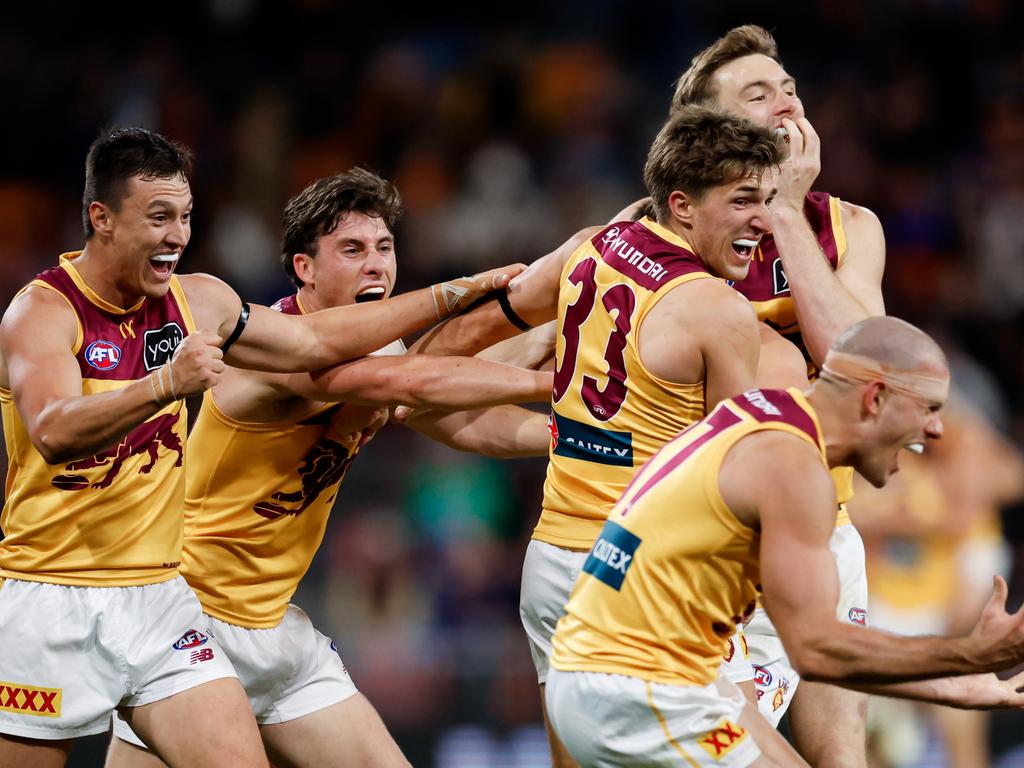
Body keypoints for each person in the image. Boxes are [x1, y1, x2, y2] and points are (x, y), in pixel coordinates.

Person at [0, 128, 523, 768]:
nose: (177, 236)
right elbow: (53, 430)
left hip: (160, 598)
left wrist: (455, 292)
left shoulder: (200, 301)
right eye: (158, 218)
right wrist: (164, 383)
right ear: (100, 219)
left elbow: (315, 345)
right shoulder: (41, 312)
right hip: (50, 593)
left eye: (186, 217)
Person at [408, 104, 790, 766]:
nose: (764, 219)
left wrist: (419, 374)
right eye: (743, 199)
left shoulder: (589, 247)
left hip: (554, 562)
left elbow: (463, 343)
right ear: (682, 205)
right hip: (642, 579)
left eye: (768, 199)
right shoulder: (717, 310)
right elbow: (735, 478)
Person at [546, 317, 1024, 768]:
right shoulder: (793, 465)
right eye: (929, 409)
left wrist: (952, 684)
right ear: (875, 399)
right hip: (635, 683)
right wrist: (970, 655)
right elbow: (816, 650)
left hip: (650, 672)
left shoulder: (760, 414)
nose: (937, 430)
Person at [611, 26, 887, 765]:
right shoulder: (650, 234)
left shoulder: (848, 226)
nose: (787, 105)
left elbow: (864, 369)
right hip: (714, 544)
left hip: (823, 525)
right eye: (758, 95)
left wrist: (787, 211)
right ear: (711, 130)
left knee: (843, 754)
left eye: (790, 88)